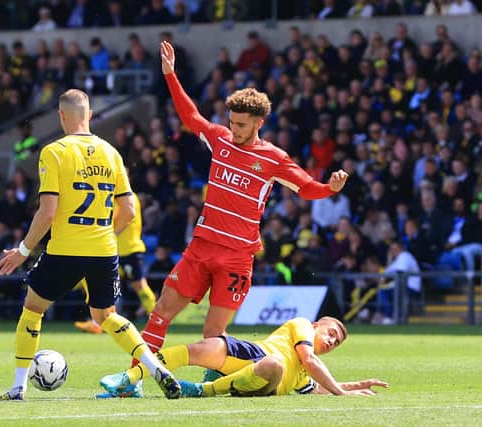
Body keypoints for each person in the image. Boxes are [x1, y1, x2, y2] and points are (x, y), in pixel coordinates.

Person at [132, 41, 349, 376]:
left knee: (213, 335)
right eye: (231, 122)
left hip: (236, 255)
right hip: (202, 245)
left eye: (241, 125)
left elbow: (305, 188)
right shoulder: (219, 139)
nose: (233, 130)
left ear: (259, 122)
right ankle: (133, 378)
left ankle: (209, 386)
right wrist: (171, 75)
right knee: (160, 312)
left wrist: (329, 188)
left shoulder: (273, 159)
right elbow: (191, 116)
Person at [0, 89, 180, 401]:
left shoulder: (54, 151)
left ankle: (18, 387)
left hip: (65, 250)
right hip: (104, 251)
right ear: (90, 115)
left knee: (33, 308)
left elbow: (48, 212)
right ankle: (154, 367)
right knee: (106, 315)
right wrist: (106, 233)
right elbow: (130, 209)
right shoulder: (111, 152)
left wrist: (23, 251)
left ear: (61, 115)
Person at [100, 316, 388, 398]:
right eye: (330, 333)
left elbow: (318, 389)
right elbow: (312, 363)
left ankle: (201, 390)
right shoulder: (302, 327)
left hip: (263, 375)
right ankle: (130, 377)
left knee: (273, 366)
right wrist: (341, 391)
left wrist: (354, 385)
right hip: (251, 353)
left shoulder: (305, 373)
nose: (331, 341)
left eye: (335, 343)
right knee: (198, 349)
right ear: (316, 326)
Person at [74, 193, 157, 333]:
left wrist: (106, 235)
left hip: (128, 250)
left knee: (139, 286)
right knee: (102, 285)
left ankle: (156, 323)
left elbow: (122, 219)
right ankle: (100, 323)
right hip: (113, 251)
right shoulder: (112, 196)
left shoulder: (125, 196)